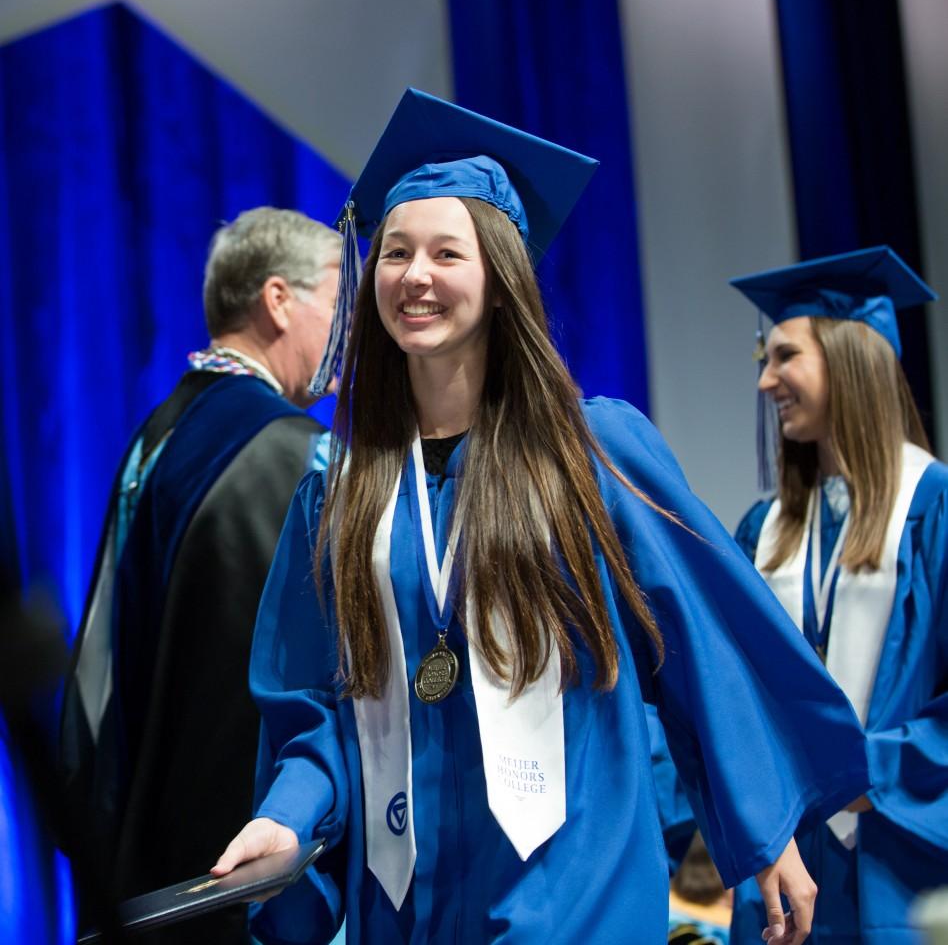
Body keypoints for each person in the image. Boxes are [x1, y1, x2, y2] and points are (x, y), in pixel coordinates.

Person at [213, 90, 870, 945]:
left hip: (572, 896)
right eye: (396, 251)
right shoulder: (340, 492)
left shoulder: (592, 453)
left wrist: (764, 825)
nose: (415, 275)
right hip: (410, 909)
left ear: (499, 277)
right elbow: (320, 709)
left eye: (447, 253)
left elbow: (703, 642)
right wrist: (287, 822)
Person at [59, 207, 341, 943]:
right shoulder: (300, 456)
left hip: (147, 864)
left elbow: (96, 678)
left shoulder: (154, 438)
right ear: (279, 300)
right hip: (248, 867)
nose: (352, 332)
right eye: (342, 301)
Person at [728, 247, 947, 944]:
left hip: (903, 857)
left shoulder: (934, 508)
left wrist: (869, 771)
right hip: (783, 869)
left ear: (850, 360)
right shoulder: (764, 531)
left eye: (785, 356)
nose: (766, 382)